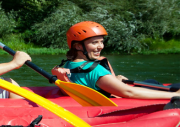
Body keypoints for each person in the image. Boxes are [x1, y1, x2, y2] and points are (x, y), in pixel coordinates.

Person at [51, 21, 179, 99]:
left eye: (101, 42)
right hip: (119, 96)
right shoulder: (95, 70)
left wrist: (113, 80)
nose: (100, 46)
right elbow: (129, 92)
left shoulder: (68, 64)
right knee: (155, 83)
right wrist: (176, 96)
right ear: (78, 46)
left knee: (150, 82)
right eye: (94, 42)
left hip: (103, 87)